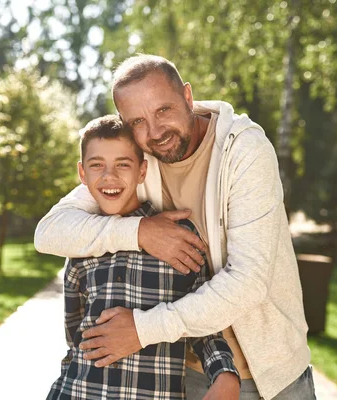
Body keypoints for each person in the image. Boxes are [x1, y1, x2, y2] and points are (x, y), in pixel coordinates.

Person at [35, 54, 316, 400]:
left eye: (163, 110)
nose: (154, 132)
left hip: (272, 377)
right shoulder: (137, 160)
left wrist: (141, 329)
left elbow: (248, 280)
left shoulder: (243, 150)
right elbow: (50, 231)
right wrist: (140, 232)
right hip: (187, 375)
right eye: (137, 121)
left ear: (187, 97)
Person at [47, 114, 240, 399]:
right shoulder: (80, 240)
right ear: (82, 173)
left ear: (141, 171)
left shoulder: (178, 237)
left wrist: (225, 374)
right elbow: (75, 336)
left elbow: (202, 324)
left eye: (122, 165)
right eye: (96, 165)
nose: (108, 176)